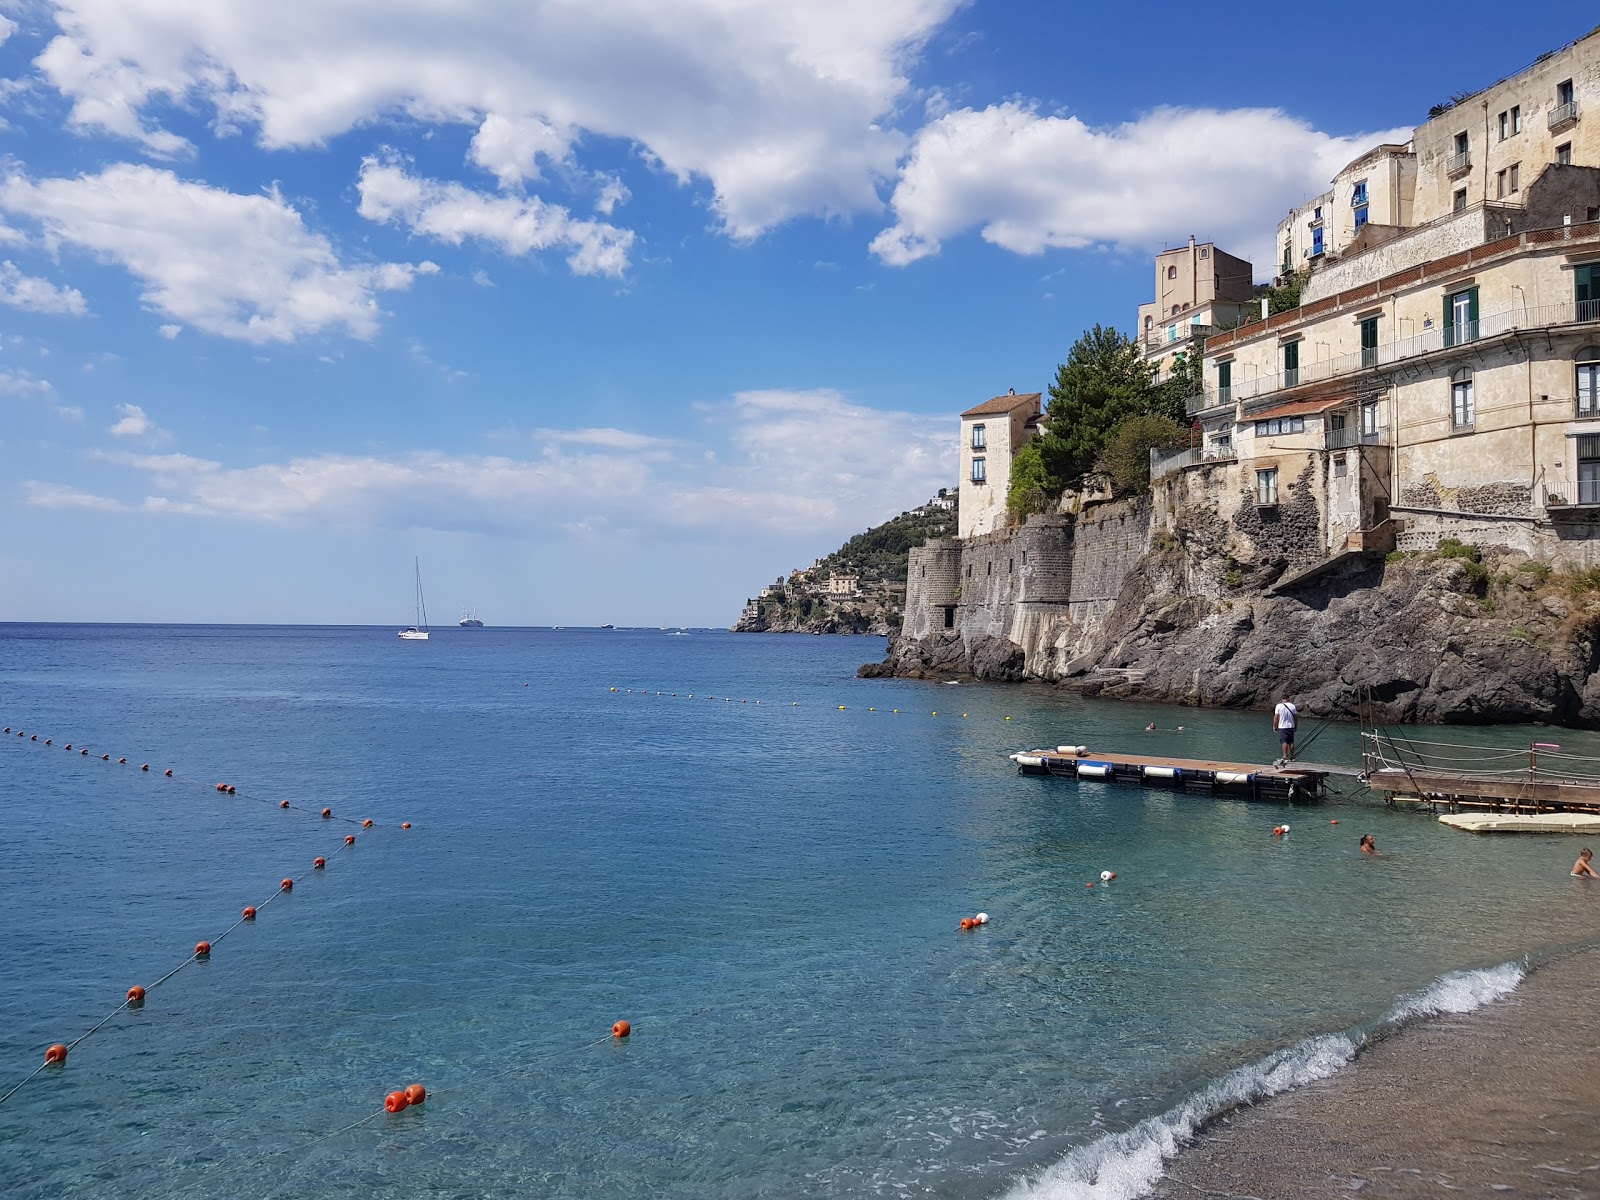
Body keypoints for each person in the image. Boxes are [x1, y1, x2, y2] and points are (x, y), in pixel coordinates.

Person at [1272, 696, 1298, 764]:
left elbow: (1276, 717)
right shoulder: (1292, 706)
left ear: (1281, 700)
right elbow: (1295, 717)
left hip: (1282, 726)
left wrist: (1274, 726)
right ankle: (1292, 757)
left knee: (1284, 741)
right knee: (1291, 742)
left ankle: (1285, 756)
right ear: (1288, 699)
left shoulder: (1278, 706)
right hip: (1291, 726)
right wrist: (1295, 726)